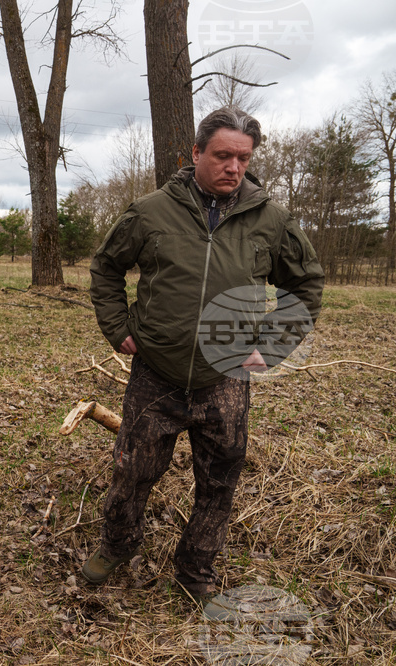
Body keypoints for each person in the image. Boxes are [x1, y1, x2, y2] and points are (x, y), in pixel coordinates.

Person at [83, 106, 324, 604]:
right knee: (133, 472)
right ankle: (117, 546)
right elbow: (106, 268)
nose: (232, 167)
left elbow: (306, 285)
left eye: (243, 157)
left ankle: (195, 568)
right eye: (221, 155)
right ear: (195, 153)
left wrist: (272, 344)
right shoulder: (150, 212)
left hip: (227, 379)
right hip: (157, 372)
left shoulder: (272, 220)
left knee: (219, 482)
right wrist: (118, 326)